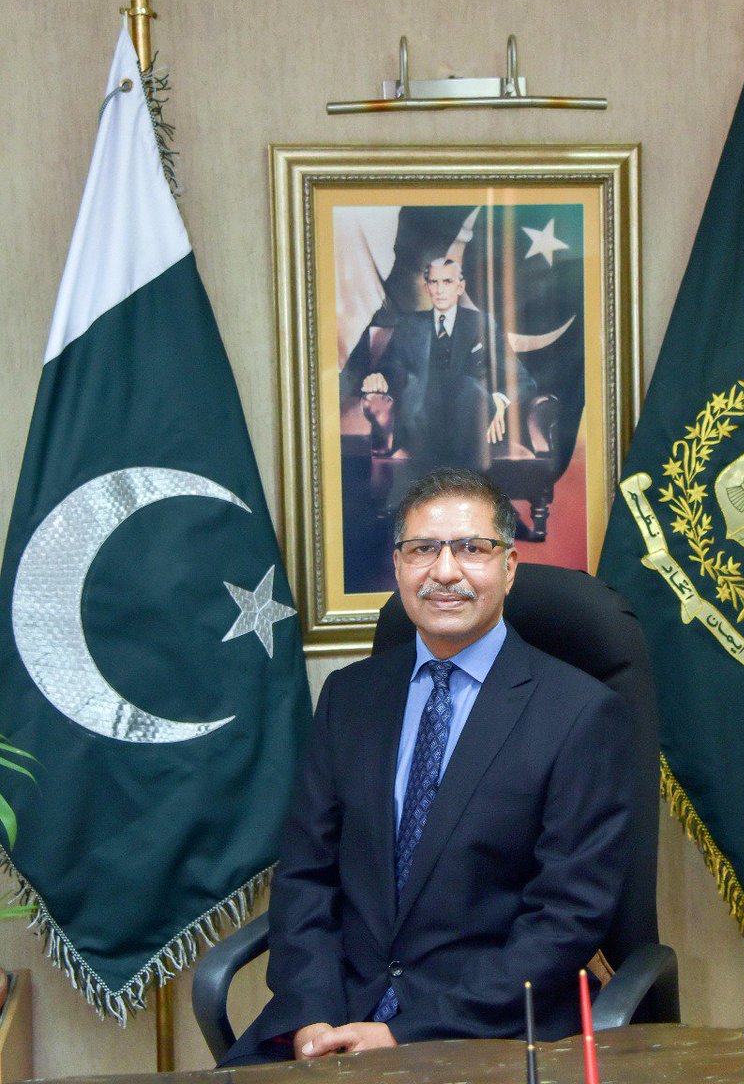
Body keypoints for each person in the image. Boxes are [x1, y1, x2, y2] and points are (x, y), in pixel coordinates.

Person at [221, 467, 633, 1065]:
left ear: (509, 567)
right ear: (398, 567)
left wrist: (405, 1034)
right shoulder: (347, 698)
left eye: (472, 549)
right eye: (422, 550)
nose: (444, 571)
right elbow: (307, 877)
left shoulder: (580, 714)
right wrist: (313, 1014)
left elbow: (564, 920)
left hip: (485, 1025)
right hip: (337, 1012)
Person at [361, 259, 536, 471]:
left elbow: (523, 379)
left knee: (468, 386)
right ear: (427, 287)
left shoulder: (482, 324)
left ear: (460, 287)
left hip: (469, 423)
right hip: (422, 425)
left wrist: (500, 401)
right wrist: (378, 377)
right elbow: (389, 367)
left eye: (447, 282)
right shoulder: (410, 324)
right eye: (434, 282)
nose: (439, 290)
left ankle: (460, 477)